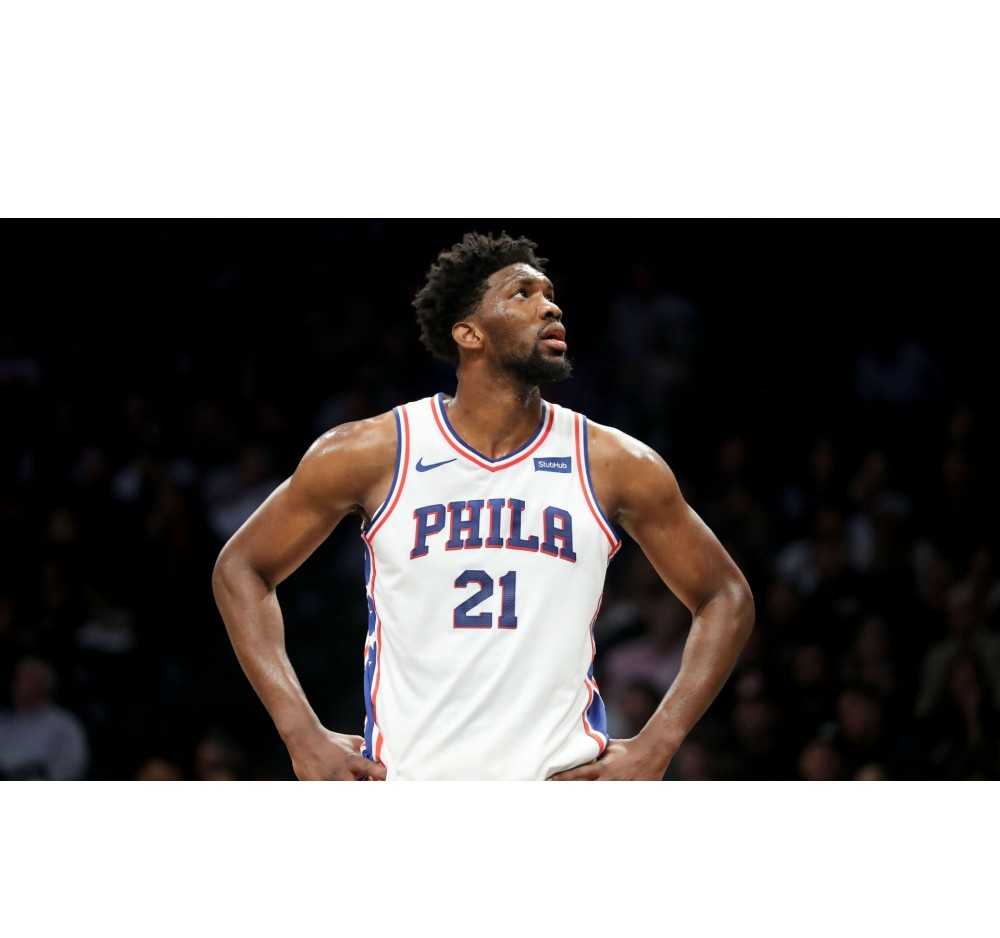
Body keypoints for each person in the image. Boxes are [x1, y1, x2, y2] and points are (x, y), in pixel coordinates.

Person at [212, 232, 754, 780]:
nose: (550, 306)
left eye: (550, 294)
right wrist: (299, 731)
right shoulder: (375, 451)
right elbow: (241, 568)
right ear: (469, 333)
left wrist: (659, 743)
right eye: (522, 293)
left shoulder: (614, 462)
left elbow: (726, 595)